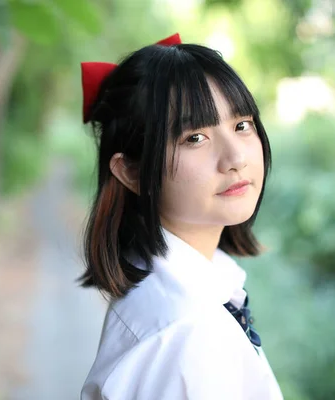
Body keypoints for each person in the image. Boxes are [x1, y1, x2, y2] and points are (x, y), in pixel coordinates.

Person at [78, 33, 284, 399]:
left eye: (241, 125)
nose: (236, 158)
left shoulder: (176, 291)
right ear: (131, 172)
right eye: (195, 138)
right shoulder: (190, 334)